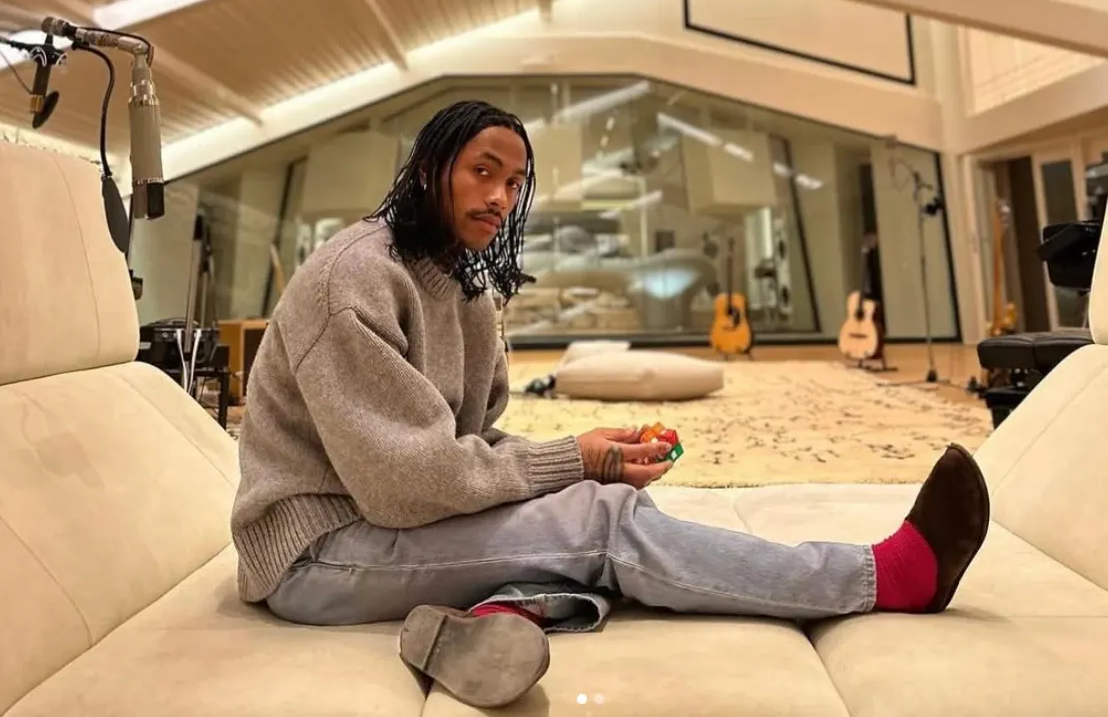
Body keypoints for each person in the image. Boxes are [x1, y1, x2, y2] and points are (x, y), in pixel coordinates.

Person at [232, 101, 989, 709]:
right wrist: (576, 461)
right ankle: (884, 577)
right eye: (481, 172)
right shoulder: (355, 280)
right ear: (431, 170)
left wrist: (591, 458)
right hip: (322, 554)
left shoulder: (459, 280)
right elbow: (407, 485)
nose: (499, 197)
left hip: (380, 521)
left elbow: (471, 440)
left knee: (587, 495)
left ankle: (502, 611)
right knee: (602, 523)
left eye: (514, 182)